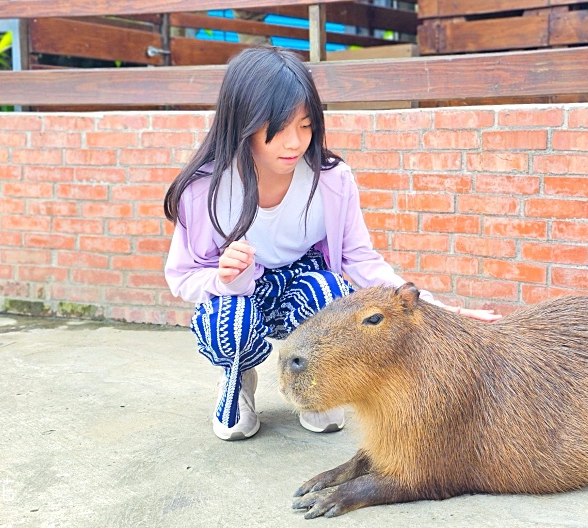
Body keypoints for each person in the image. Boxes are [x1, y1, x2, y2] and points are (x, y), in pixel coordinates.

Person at [163, 47, 500, 441]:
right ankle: (238, 380)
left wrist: (441, 310)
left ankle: (319, 382)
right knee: (230, 324)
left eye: (305, 126)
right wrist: (222, 279)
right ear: (242, 123)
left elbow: (360, 259)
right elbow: (181, 277)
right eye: (278, 127)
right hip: (239, 293)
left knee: (330, 291)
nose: (294, 143)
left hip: (299, 289)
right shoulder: (205, 189)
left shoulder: (331, 178)